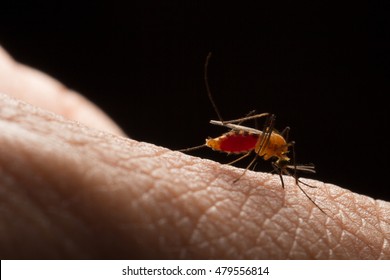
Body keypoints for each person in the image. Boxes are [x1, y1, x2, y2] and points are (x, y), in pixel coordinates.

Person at [0, 46, 389, 259]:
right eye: (289, 169)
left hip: (254, 142)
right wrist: (244, 140)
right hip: (250, 139)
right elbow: (270, 143)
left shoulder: (280, 154)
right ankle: (229, 131)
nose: (288, 171)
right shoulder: (274, 146)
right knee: (268, 130)